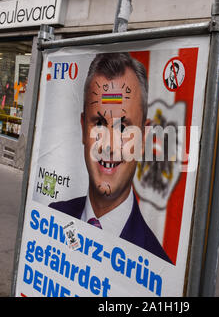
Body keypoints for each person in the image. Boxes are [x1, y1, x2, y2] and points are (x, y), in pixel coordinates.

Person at [49, 52, 172, 264]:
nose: (108, 145)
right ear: (82, 128)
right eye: (98, 124)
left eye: (123, 128)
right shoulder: (53, 217)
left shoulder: (157, 265)